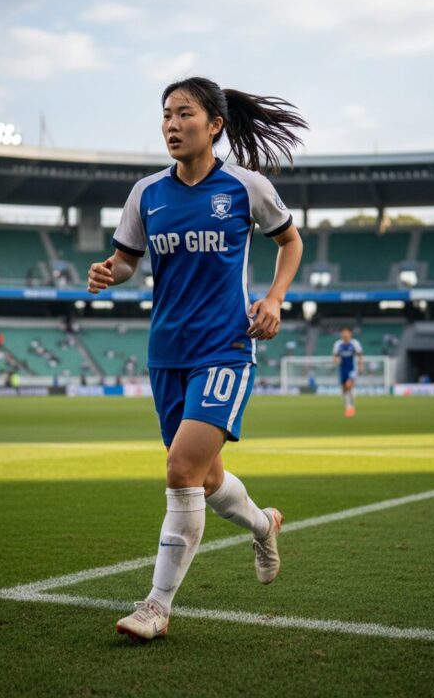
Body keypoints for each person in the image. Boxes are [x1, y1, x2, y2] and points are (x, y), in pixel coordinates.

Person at [88, 76, 306, 641]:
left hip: (225, 349)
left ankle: (156, 607)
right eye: (165, 115)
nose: (171, 125)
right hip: (166, 354)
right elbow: (127, 260)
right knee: (204, 479)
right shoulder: (146, 194)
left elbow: (290, 241)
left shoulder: (244, 187)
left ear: (214, 125)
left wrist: (275, 299)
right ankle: (263, 523)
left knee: (180, 471)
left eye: (184, 114)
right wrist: (109, 272)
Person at [332, 326, 363, 417]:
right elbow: (335, 356)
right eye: (343, 332)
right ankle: (348, 405)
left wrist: (361, 365)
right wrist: (336, 360)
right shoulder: (338, 344)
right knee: (344, 389)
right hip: (342, 368)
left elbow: (360, 354)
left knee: (348, 385)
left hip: (352, 368)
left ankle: (350, 407)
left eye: (346, 332)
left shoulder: (354, 343)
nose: (344, 334)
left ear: (350, 333)